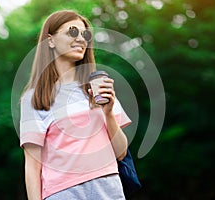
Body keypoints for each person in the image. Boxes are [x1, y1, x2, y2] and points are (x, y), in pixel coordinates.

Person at [19, 10, 131, 200]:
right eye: (72, 32)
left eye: (85, 34)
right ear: (51, 40)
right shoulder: (35, 98)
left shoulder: (99, 87)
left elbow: (121, 153)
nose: (81, 39)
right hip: (62, 193)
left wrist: (109, 113)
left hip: (108, 189)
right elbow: (32, 164)